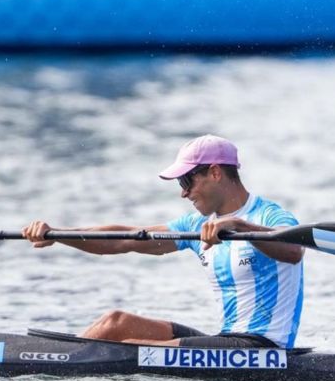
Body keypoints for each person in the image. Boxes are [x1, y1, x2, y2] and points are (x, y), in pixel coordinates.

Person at [21, 134, 304, 348]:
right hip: (225, 342)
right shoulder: (196, 225)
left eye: (186, 182)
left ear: (215, 173)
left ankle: (61, 364)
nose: (183, 193)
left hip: (262, 347)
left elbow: (293, 251)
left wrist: (238, 225)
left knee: (129, 348)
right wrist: (57, 234)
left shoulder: (270, 215)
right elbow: (125, 239)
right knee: (116, 323)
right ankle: (63, 358)